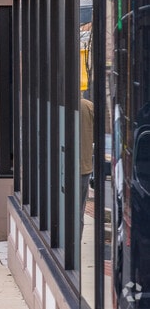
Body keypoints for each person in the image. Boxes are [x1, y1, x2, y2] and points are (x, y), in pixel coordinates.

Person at [79, 97, 94, 238]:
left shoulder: (58, 104)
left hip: (62, 167)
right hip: (83, 166)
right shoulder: (88, 106)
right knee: (79, 211)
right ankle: (76, 243)